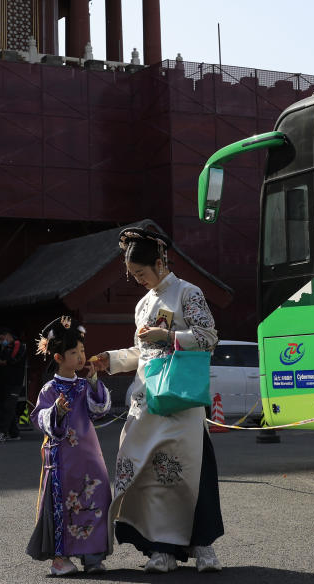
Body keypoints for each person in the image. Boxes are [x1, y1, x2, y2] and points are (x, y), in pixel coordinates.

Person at [90, 227, 223, 574]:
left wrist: (170, 335)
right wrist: (113, 359)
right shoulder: (143, 304)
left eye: (141, 273)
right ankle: (160, 548)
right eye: (133, 275)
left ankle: (202, 545)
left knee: (187, 472)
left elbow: (209, 337)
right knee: (148, 474)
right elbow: (142, 351)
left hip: (180, 401)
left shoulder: (187, 293)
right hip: (147, 401)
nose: (137, 280)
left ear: (161, 261)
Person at [26, 316, 112, 576]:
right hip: (63, 460)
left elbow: (100, 410)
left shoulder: (85, 385)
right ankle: (60, 559)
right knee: (63, 503)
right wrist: (56, 412)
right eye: (74, 352)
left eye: (82, 351)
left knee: (97, 496)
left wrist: (96, 382)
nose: (81, 357)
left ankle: (93, 556)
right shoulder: (50, 390)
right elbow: (40, 418)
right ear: (58, 357)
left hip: (90, 456)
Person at [0, 326, 26, 442]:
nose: (2, 341)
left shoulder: (19, 345)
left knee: (7, 407)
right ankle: (14, 434)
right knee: (5, 407)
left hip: (15, 383)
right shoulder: (7, 348)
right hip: (6, 382)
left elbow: (13, 360)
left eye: (2, 339)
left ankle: (2, 433)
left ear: (7, 335)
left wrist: (2, 362)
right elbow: (3, 359)